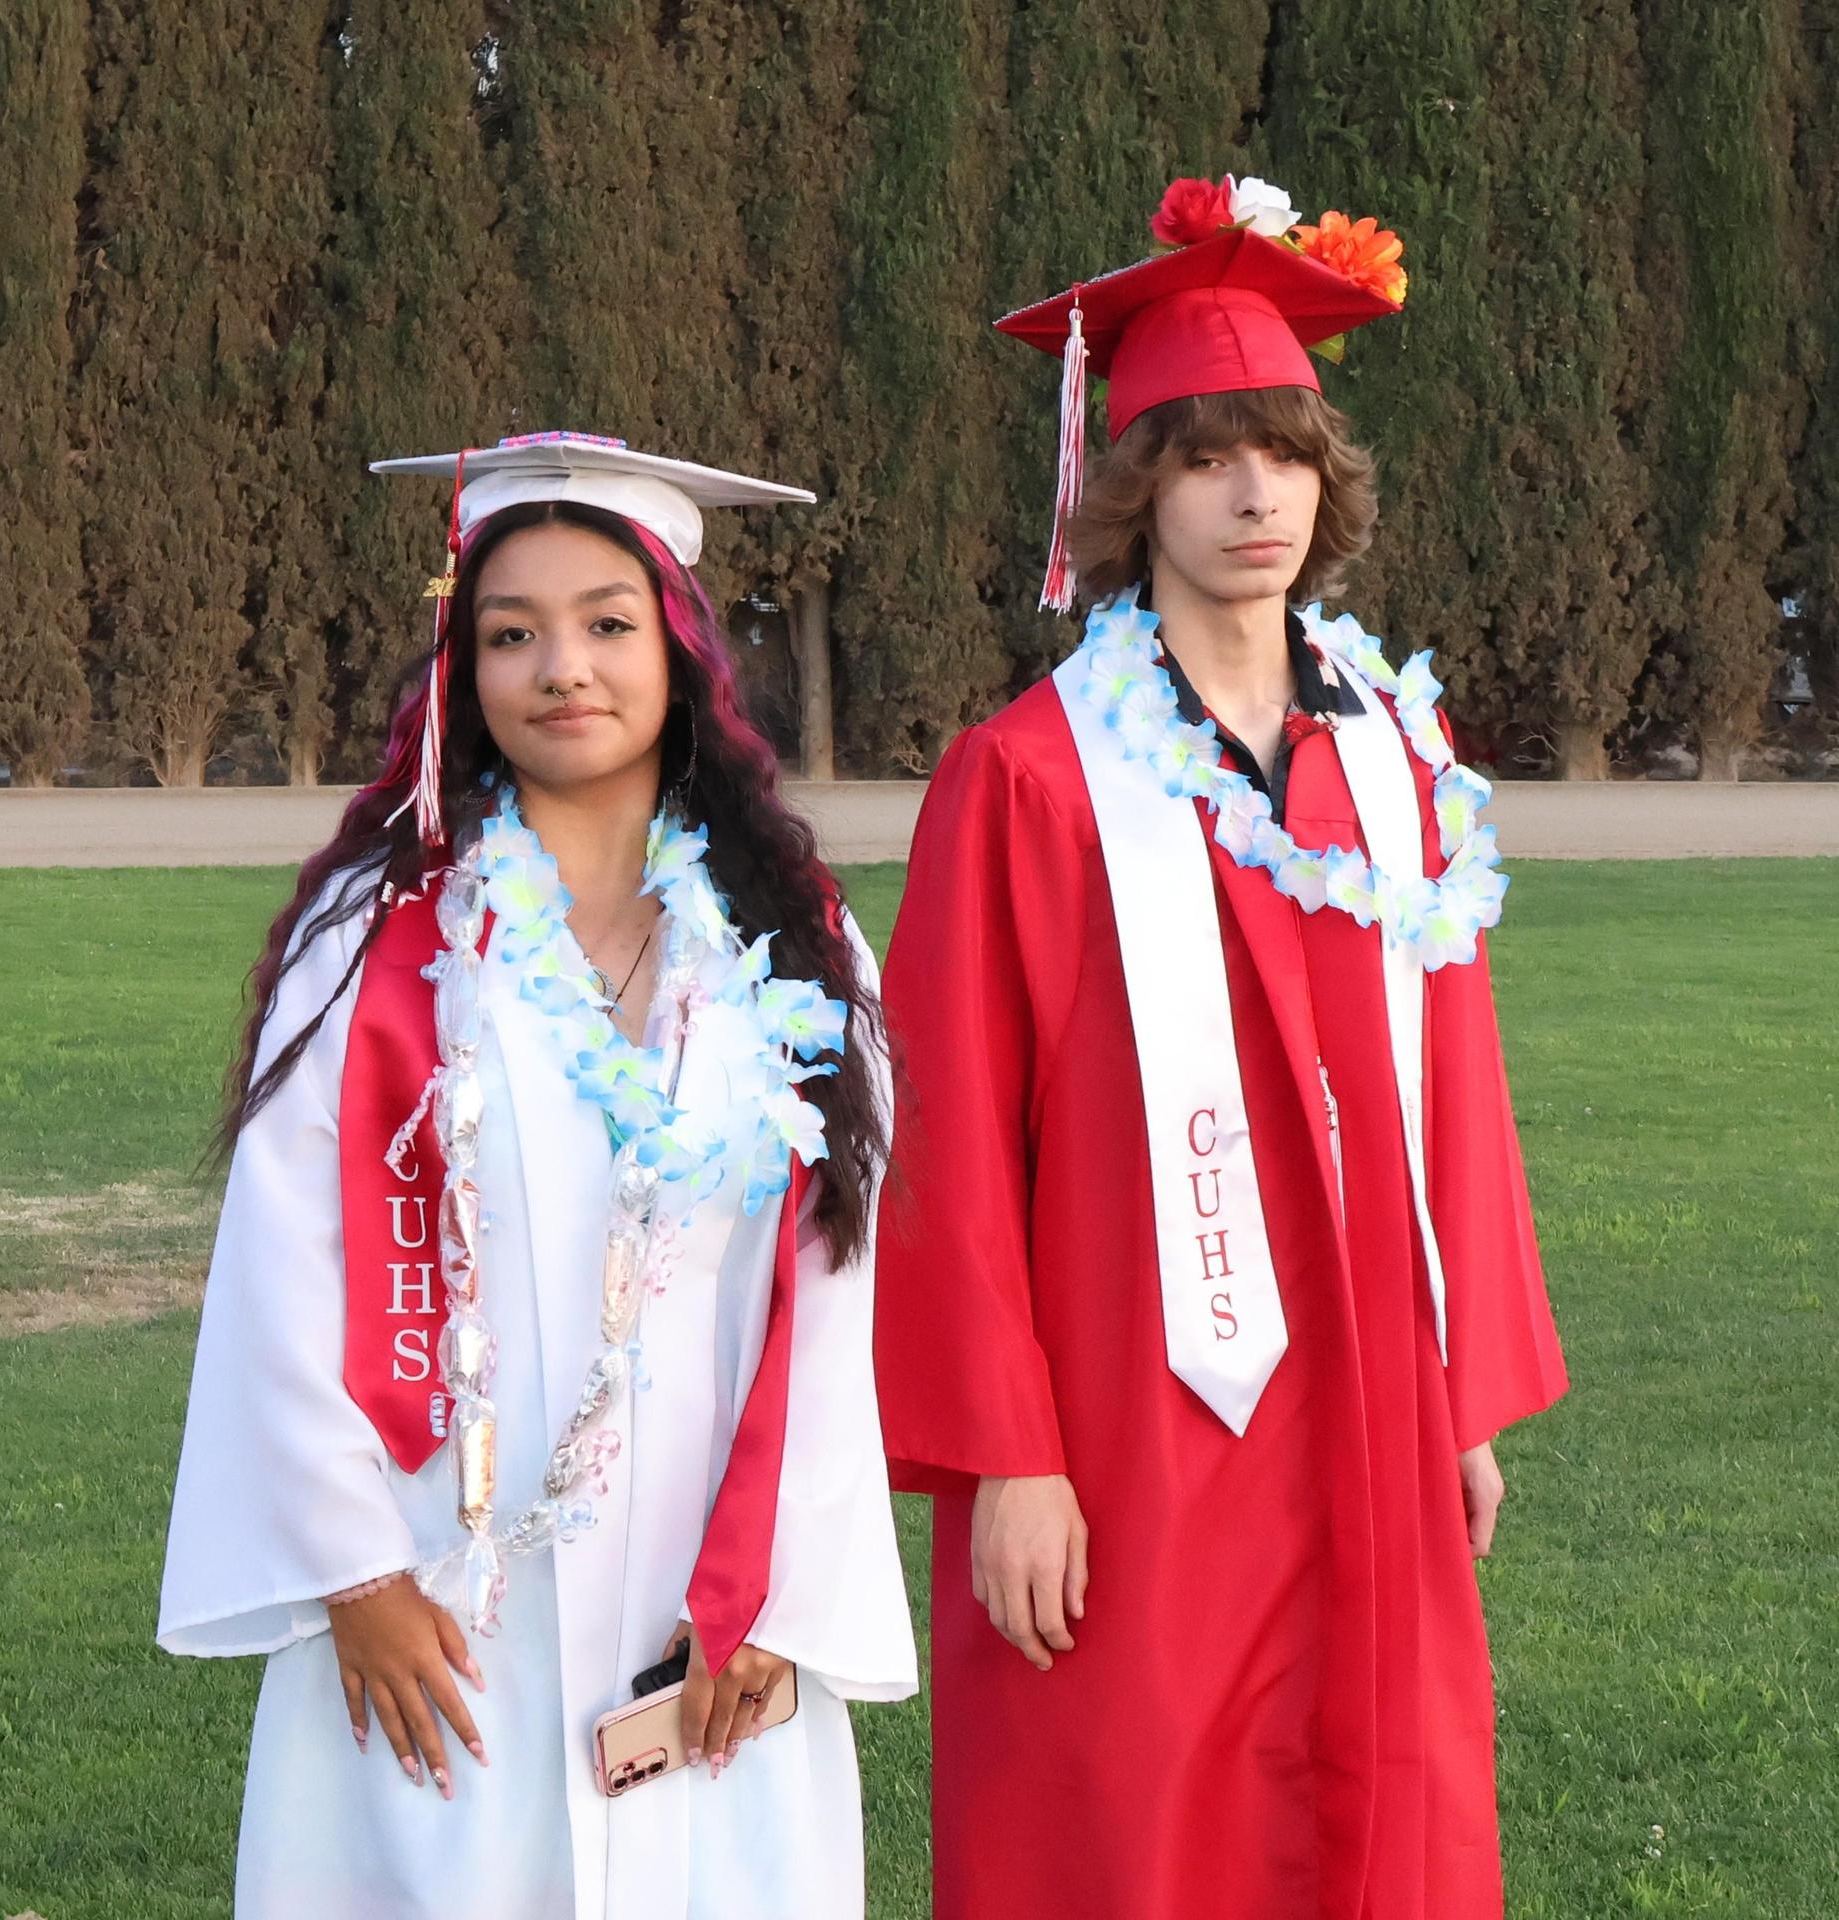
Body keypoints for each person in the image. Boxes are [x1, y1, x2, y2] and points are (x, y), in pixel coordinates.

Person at [874, 175, 1568, 1918]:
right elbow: (951, 1139)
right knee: (1133, 1806)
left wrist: (1458, 1387)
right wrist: (1007, 1459)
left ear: (1328, 482)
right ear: (1129, 492)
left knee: (1376, 1793)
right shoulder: (1029, 777)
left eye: (1284, 453)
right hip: (1132, 1408)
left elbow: (1450, 1094)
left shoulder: (1393, 767)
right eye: (1201, 456)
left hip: (1367, 1393)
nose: (1255, 492)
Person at [158, 430, 917, 1920]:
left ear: (682, 652)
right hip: (444, 1585)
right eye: (511, 635)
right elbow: (279, 1263)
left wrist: (789, 1588)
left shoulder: (792, 950)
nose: (562, 667)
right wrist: (356, 1577)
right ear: (466, 672)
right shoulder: (383, 945)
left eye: (606, 624)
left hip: (716, 1584)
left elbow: (840, 1287)